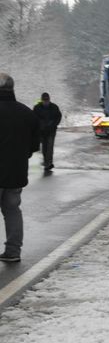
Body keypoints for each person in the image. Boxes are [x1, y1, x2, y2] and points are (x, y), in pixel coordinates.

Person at [0, 73, 40, 263]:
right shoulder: (27, 113)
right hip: (16, 173)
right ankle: (13, 251)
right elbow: (34, 145)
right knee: (12, 211)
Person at [33, 92, 63, 170]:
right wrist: (40, 125)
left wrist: (54, 124)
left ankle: (48, 163)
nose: (46, 102)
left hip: (51, 131)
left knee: (50, 146)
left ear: (49, 99)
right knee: (45, 147)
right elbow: (34, 118)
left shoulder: (54, 107)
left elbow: (58, 117)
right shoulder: (37, 108)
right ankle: (47, 162)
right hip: (42, 131)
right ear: (41, 100)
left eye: (47, 100)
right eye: (44, 100)